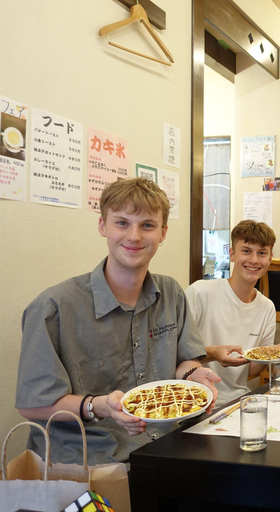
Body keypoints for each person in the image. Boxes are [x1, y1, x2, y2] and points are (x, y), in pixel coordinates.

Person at [16, 178, 220, 465]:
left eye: (147, 225)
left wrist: (196, 377)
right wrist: (98, 406)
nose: (134, 236)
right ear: (103, 226)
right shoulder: (54, 307)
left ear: (163, 233)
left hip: (165, 442)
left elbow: (185, 361)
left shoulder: (171, 292)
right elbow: (32, 404)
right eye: (122, 223)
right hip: (88, 459)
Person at [185, 220, 278, 405]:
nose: (253, 260)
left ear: (270, 259)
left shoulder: (267, 307)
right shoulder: (200, 292)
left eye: (261, 253)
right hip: (195, 400)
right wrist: (213, 353)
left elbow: (250, 371)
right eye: (246, 251)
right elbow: (176, 354)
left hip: (238, 401)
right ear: (232, 254)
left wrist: (270, 355)